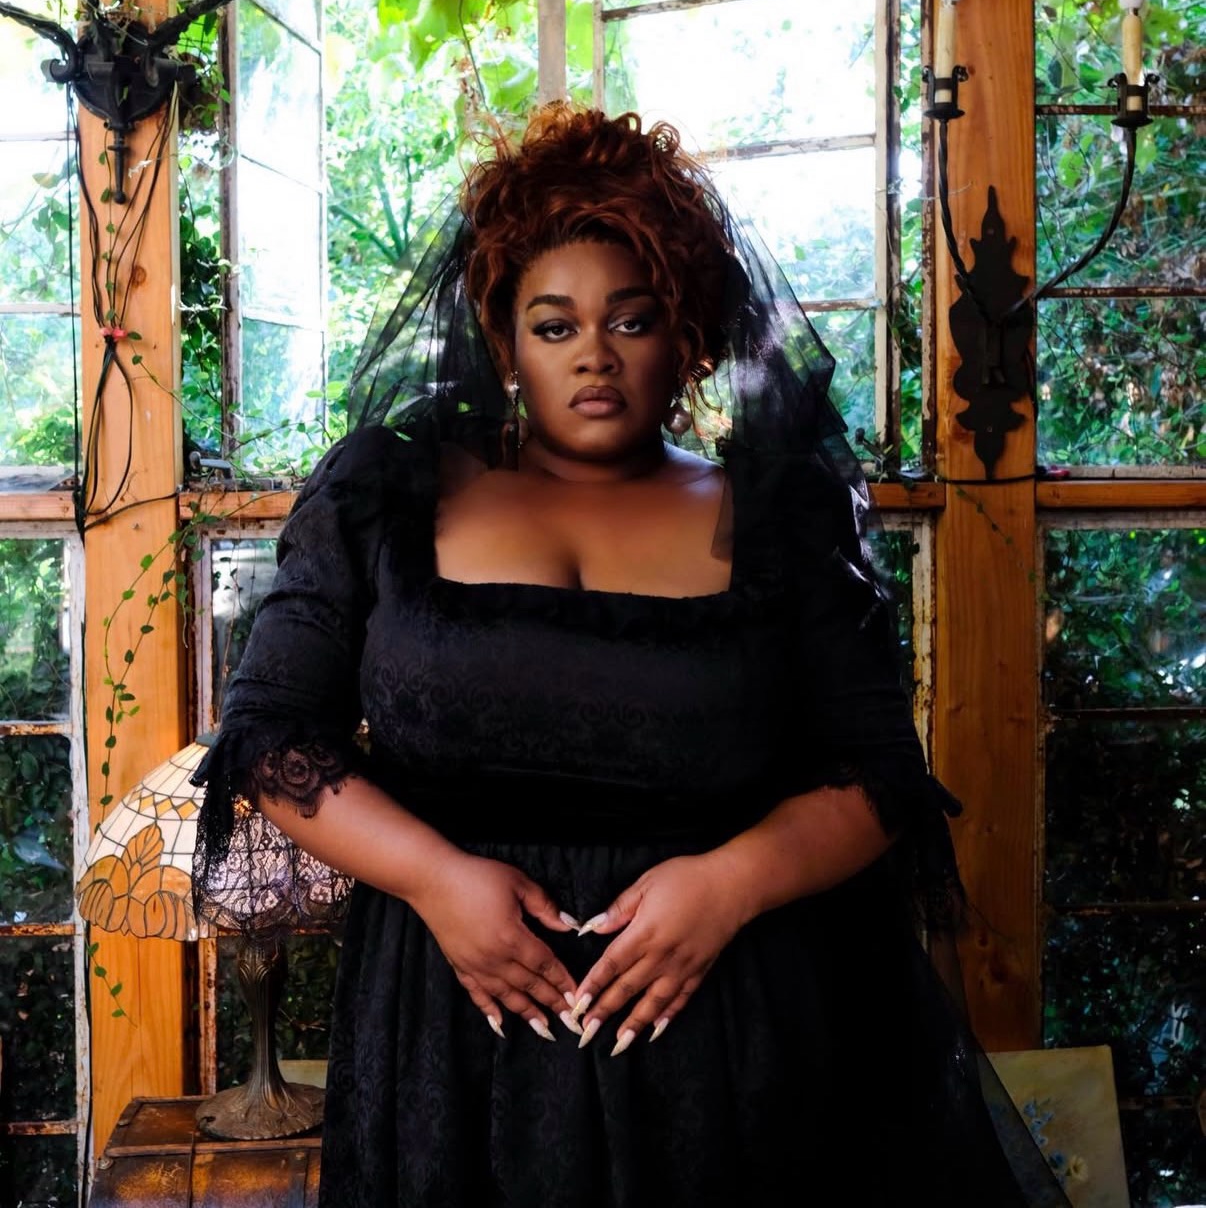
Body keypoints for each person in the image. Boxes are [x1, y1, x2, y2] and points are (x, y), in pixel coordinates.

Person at [193, 105, 1069, 1207]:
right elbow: (269, 736)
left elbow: (882, 772)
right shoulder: (382, 494)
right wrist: (438, 880)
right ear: (504, 343)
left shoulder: (784, 516)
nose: (594, 356)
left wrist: (728, 885)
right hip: (448, 1040)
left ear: (689, 335)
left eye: (632, 319)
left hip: (728, 1041)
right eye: (553, 324)